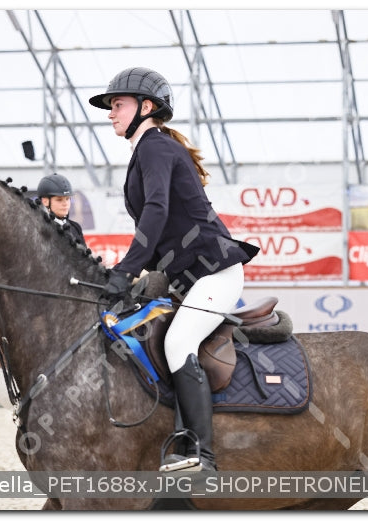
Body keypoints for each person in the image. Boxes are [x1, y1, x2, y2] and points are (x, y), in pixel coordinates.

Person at [89, 67, 259, 472]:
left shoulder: (155, 147)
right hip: (188, 274)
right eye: (111, 107)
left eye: (117, 105)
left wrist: (127, 270)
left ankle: (200, 454)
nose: (110, 113)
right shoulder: (148, 149)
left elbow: (157, 212)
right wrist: (126, 272)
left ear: (145, 108)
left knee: (178, 342)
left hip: (215, 273)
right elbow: (162, 227)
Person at [37, 173, 86, 247]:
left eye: (67, 199)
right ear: (45, 201)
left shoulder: (76, 228)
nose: (65, 204)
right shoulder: (38, 229)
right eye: (59, 200)